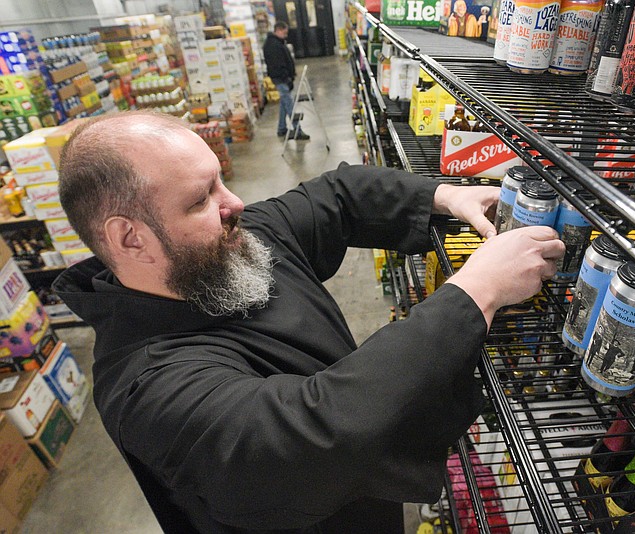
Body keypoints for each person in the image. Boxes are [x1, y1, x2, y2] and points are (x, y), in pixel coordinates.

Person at [53, 110, 564, 533]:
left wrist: (445, 195)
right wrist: (477, 291)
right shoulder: (147, 387)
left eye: (219, 182)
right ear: (129, 238)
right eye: (200, 199)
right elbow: (317, 432)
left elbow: (337, 194)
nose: (234, 203)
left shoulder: (231, 244)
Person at [263, 21, 309, 141]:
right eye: (284, 32)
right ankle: (298, 131)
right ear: (278, 30)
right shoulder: (273, 45)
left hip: (282, 78)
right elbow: (278, 65)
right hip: (281, 79)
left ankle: (281, 128)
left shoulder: (276, 42)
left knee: (284, 103)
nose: (286, 35)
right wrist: (287, 78)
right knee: (290, 106)